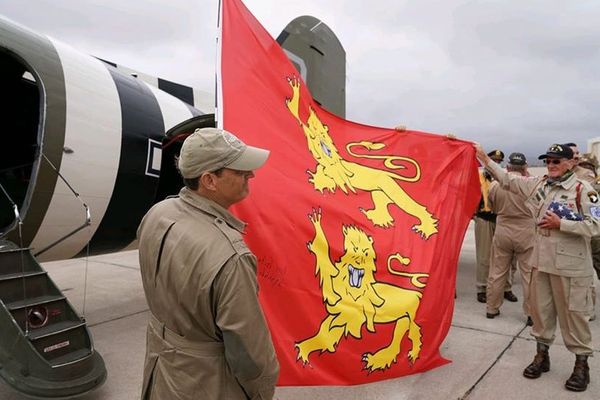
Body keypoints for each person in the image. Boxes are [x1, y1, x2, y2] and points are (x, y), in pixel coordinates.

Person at [137, 128, 279, 400]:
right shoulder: (230, 255)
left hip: (160, 371)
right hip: (204, 383)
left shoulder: (157, 213)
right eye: (240, 170)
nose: (251, 175)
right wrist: (260, 392)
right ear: (209, 180)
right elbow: (251, 354)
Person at [475, 142, 599, 392]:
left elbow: (596, 226)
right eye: (548, 161)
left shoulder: (583, 190)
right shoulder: (539, 185)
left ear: (571, 163)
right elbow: (508, 179)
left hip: (571, 268)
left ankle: (581, 366)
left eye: (556, 161)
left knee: (574, 317)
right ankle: (542, 356)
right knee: (540, 313)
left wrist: (563, 224)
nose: (551, 165)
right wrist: (484, 159)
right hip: (541, 263)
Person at [485, 152, 533, 324]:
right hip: (526, 231)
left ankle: (492, 307)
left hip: (503, 227)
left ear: (508, 167)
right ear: (525, 167)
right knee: (529, 275)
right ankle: (530, 314)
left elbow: (491, 205)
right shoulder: (530, 184)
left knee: (497, 271)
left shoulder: (495, 185)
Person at [474, 149, 518, 303]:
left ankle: (506, 288)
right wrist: (475, 216)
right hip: (484, 219)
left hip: (502, 220)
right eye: (494, 161)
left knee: (507, 257)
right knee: (485, 256)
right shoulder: (478, 177)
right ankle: (482, 288)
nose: (496, 163)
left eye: (499, 162)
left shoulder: (506, 179)